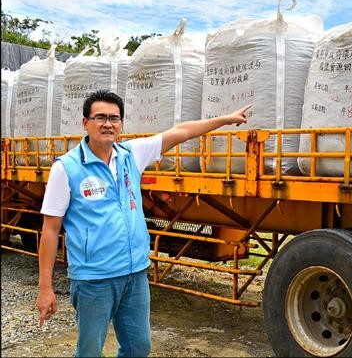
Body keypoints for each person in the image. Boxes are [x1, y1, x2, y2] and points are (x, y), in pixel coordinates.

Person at [35, 90, 251, 357]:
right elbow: (50, 229)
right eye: (100, 117)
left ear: (121, 124)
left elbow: (181, 132)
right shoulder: (66, 168)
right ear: (85, 122)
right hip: (94, 279)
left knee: (139, 347)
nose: (108, 124)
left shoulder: (131, 154)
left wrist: (226, 119)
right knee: (90, 350)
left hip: (135, 274)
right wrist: (45, 288)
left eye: (114, 118)